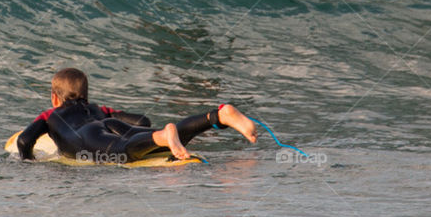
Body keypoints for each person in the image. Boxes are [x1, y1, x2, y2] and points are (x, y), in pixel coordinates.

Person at [17, 68, 258, 162]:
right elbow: (142, 121)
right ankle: (217, 116)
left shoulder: (49, 114)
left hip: (87, 135)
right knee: (152, 137)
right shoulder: (99, 109)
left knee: (120, 151)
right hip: (108, 124)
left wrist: (27, 161)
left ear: (54, 98)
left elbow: (24, 140)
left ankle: (165, 137)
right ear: (85, 95)